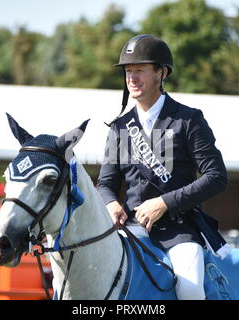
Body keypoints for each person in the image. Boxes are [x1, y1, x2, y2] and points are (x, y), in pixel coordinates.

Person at [97, 34, 229, 300]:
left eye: (140, 71)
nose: (132, 78)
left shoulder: (188, 120)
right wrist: (111, 203)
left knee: (190, 290)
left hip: (179, 231)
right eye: (128, 71)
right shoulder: (120, 128)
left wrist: (164, 203)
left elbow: (216, 177)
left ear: (162, 73)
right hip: (131, 229)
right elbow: (105, 184)